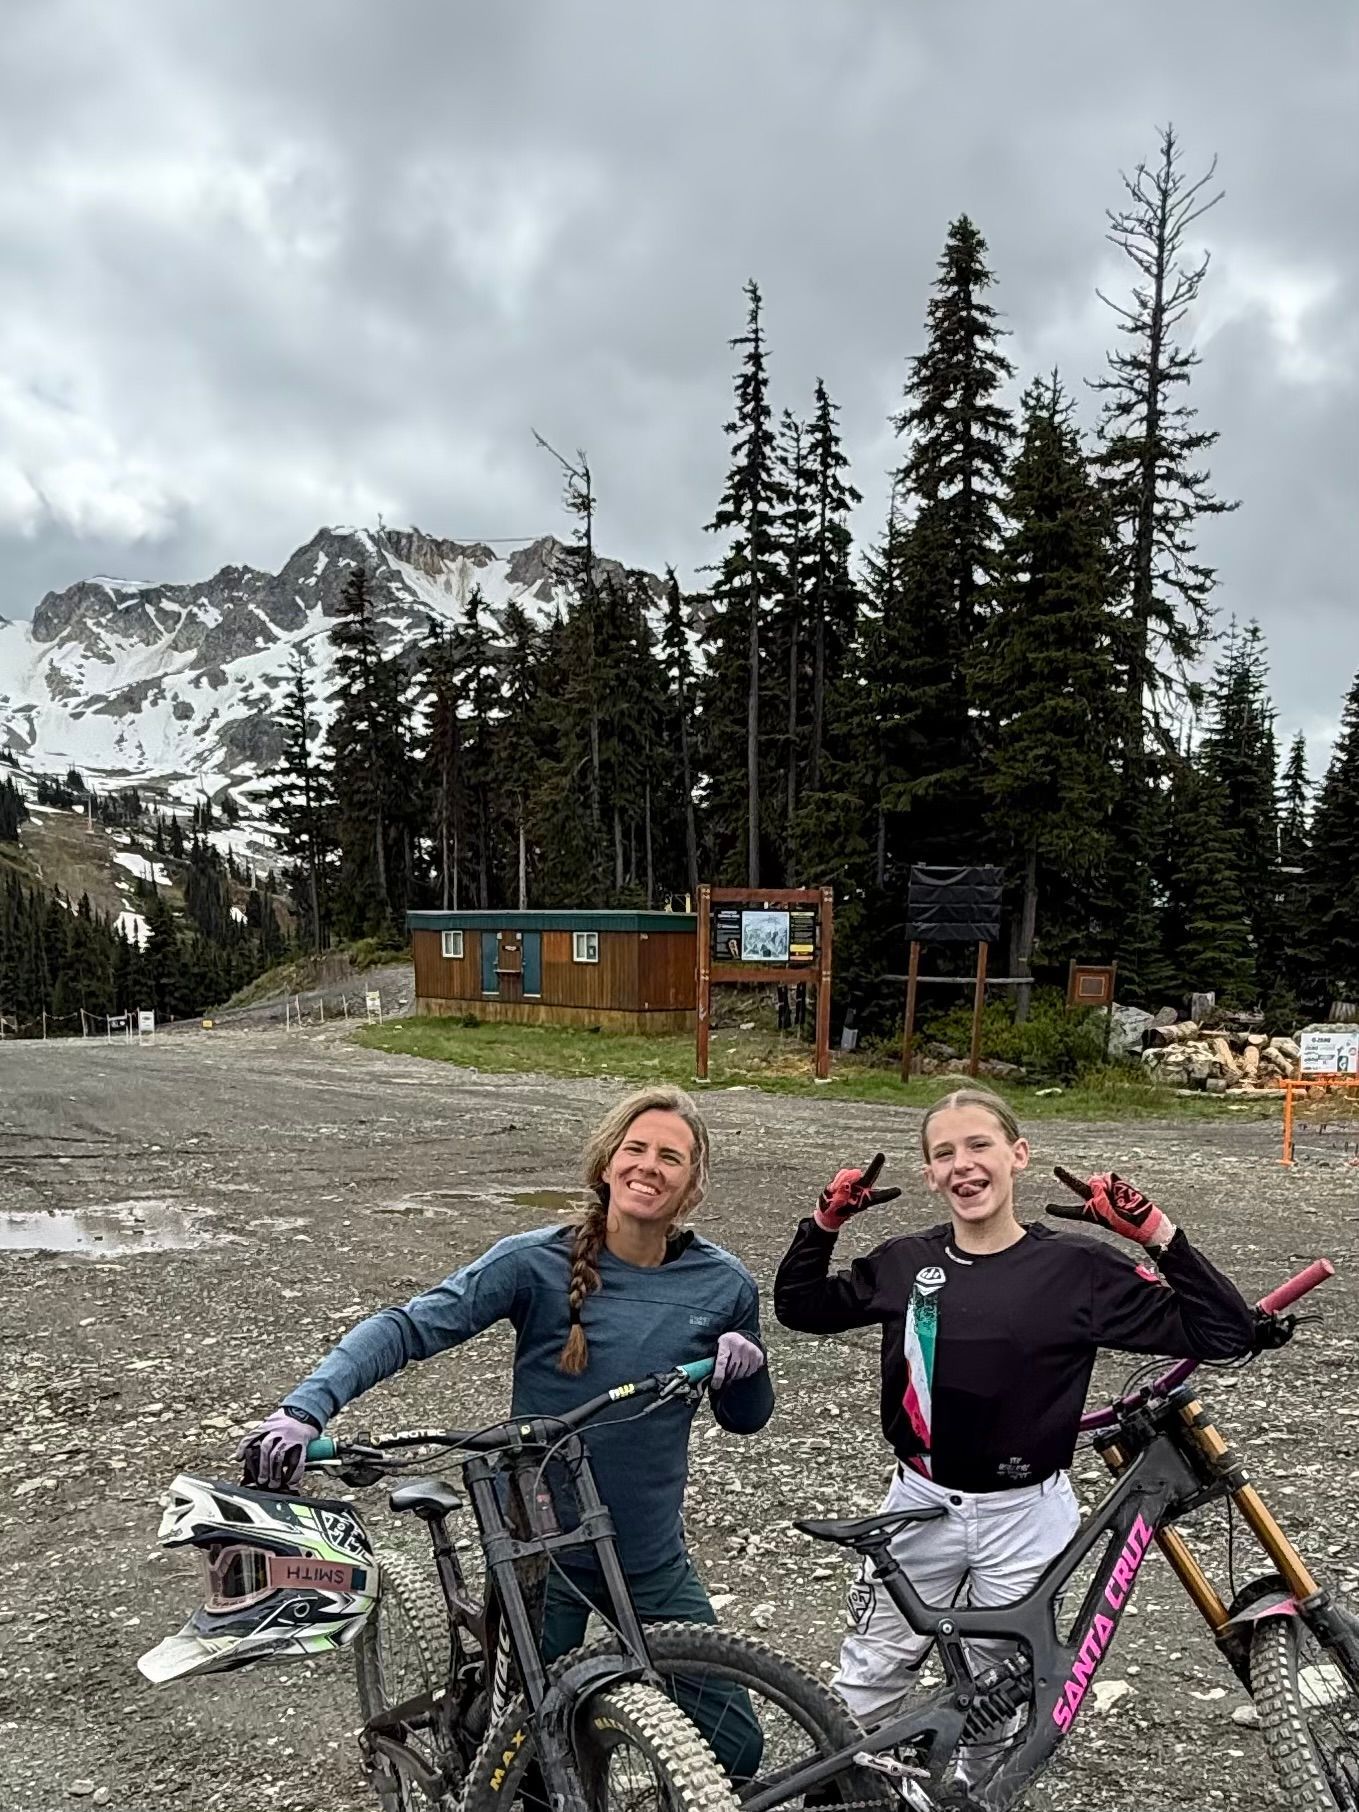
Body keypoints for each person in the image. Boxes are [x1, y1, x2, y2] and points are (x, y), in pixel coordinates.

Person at [239, 1084, 772, 1778]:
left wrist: (747, 1371)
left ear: (692, 1183)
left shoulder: (721, 1284)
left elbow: (746, 1419)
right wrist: (306, 1407)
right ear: (606, 1162)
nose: (649, 1166)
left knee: (734, 1745)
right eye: (635, 1149)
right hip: (537, 1552)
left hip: (648, 1554)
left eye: (670, 1157)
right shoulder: (534, 1261)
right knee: (535, 1754)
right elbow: (410, 1326)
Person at [774, 1086, 1255, 1751]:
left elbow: (1225, 1333)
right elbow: (798, 1308)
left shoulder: (1075, 1268)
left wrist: (1156, 1235)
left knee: (996, 1691)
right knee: (868, 1678)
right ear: (928, 1174)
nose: (962, 1165)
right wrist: (822, 1226)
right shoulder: (905, 1260)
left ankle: (967, 1794)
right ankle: (844, 1791)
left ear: (1017, 1155)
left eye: (979, 1145)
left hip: (1024, 1512)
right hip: (916, 1502)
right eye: (943, 1154)